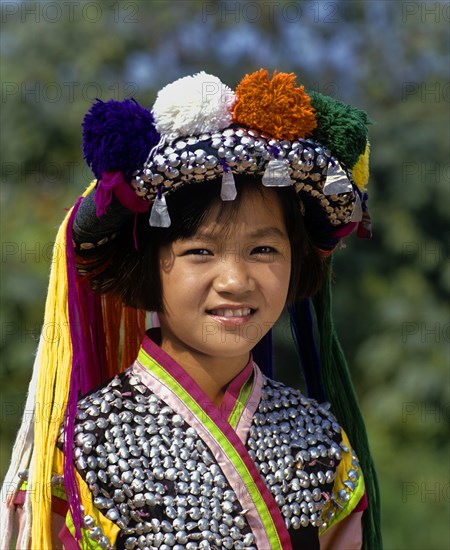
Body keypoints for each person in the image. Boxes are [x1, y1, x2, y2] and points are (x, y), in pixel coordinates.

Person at [1, 69, 382, 549]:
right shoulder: (83, 449)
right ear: (150, 266)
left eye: (263, 250)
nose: (235, 281)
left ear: (296, 259)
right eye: (200, 251)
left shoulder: (321, 441)